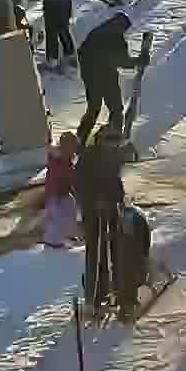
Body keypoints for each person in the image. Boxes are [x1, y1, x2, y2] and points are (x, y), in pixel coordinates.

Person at [77, 11, 147, 143]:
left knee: (103, 107)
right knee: (101, 107)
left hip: (101, 74)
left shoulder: (103, 34)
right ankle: (85, 137)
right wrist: (138, 61)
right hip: (94, 74)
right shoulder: (103, 36)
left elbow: (123, 61)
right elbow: (121, 61)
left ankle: (106, 136)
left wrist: (138, 61)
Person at [76, 128, 128, 308]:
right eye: (111, 142)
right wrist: (92, 202)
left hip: (111, 208)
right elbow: (80, 184)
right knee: (96, 253)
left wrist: (119, 199)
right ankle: (94, 295)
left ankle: (115, 289)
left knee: (116, 248)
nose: (113, 146)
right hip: (93, 213)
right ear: (101, 141)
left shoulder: (114, 156)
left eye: (116, 143)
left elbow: (115, 180)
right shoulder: (88, 157)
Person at [113, 198, 153, 319]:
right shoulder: (132, 214)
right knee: (128, 269)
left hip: (132, 239)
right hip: (133, 239)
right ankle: (127, 301)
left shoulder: (127, 217)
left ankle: (127, 304)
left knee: (127, 269)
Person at [41, 133, 81, 247]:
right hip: (54, 193)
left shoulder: (68, 158)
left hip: (64, 192)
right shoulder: (58, 158)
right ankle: (52, 241)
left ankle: (68, 234)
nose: (74, 150)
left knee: (70, 209)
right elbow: (64, 174)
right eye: (72, 146)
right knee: (57, 216)